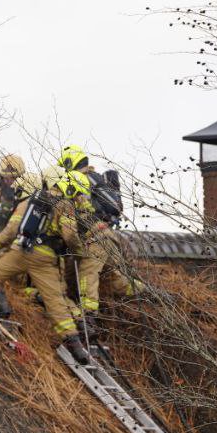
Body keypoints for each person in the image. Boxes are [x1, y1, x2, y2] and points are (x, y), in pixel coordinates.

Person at [0, 168, 92, 364]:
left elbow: (13, 230)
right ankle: (75, 346)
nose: (80, 197)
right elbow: (70, 235)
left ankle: (0, 305)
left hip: (21, 252)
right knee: (56, 302)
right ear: (73, 188)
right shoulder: (66, 205)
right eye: (80, 193)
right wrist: (80, 252)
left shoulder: (37, 197)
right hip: (44, 260)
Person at [57, 144, 144, 336]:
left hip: (95, 238)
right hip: (107, 236)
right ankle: (146, 294)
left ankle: (89, 319)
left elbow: (75, 215)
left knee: (87, 275)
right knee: (116, 279)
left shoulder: (81, 181)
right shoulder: (96, 179)